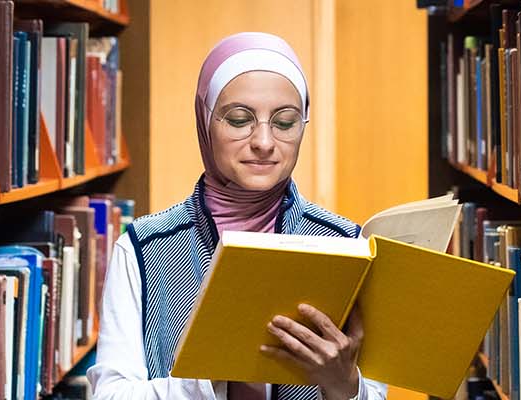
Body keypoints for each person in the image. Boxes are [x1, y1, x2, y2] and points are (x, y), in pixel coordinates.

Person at [88, 32, 388, 400]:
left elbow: (375, 392)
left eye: (284, 122)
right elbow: (109, 394)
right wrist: (203, 381)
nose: (263, 142)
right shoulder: (142, 248)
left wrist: (345, 386)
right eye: (239, 119)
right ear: (205, 122)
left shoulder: (346, 245)